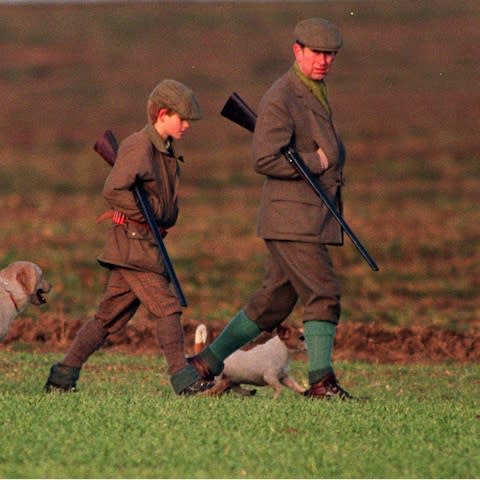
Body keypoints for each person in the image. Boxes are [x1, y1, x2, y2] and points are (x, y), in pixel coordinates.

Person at [189, 18, 354, 399]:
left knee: (272, 304)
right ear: (297, 51)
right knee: (323, 293)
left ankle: (203, 365)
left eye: (330, 54)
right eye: (317, 52)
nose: (324, 60)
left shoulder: (314, 91)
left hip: (306, 216)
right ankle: (322, 383)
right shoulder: (282, 96)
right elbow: (264, 159)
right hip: (294, 219)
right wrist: (317, 162)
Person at [44, 79, 212, 395]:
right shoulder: (139, 146)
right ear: (162, 114)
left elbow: (156, 200)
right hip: (134, 245)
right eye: (182, 118)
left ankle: (62, 376)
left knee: (108, 318)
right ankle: (184, 379)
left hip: (144, 243)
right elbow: (113, 190)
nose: (187, 125)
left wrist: (155, 214)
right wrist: (140, 213)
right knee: (168, 307)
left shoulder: (164, 150)